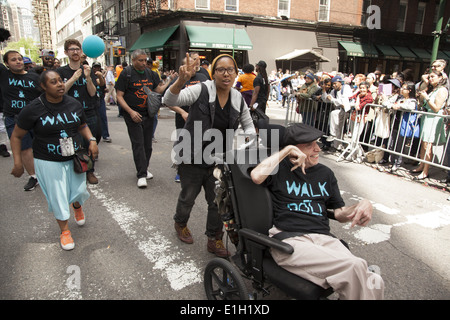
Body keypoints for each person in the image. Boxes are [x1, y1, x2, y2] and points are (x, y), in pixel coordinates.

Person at [250, 123, 384, 300]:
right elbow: (256, 176)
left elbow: (339, 213)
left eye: (317, 143)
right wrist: (285, 151)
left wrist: (361, 205)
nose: (317, 149)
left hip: (324, 239)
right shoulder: (278, 169)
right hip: (290, 240)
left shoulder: (326, 174)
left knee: (374, 280)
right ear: (293, 149)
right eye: (309, 145)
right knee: (356, 267)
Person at [163, 53, 256, 257]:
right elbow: (168, 99)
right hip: (192, 156)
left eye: (230, 69)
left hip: (219, 160)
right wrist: (181, 80)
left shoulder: (238, 98)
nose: (226, 74)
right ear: (213, 74)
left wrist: (245, 145)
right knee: (188, 197)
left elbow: (249, 128)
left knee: (218, 202)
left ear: (236, 73)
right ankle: (180, 222)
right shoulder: (201, 89)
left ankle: (214, 238)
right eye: (221, 70)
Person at [10, 70, 99, 250]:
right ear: (43, 86)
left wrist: (91, 140)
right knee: (58, 196)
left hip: (74, 157)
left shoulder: (73, 103)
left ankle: (77, 205)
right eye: (53, 82)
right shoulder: (33, 108)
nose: (59, 84)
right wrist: (18, 162)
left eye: (60, 81)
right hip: (47, 159)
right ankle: (65, 231)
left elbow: (82, 125)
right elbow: (16, 136)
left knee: (79, 190)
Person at [115, 49, 171, 188]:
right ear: (133, 60)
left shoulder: (151, 74)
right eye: (140, 60)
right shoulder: (126, 73)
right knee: (138, 144)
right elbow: (119, 96)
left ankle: (144, 168)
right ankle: (141, 175)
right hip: (132, 115)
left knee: (148, 145)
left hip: (149, 114)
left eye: (145, 60)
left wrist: (170, 82)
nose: (144, 63)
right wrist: (130, 111)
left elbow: (157, 90)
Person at [57, 39, 99, 184]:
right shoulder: (61, 71)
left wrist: (88, 78)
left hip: (88, 111)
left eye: (77, 49)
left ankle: (90, 171)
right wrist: (74, 78)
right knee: (71, 144)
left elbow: (93, 93)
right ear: (66, 52)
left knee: (91, 141)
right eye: (71, 49)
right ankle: (73, 170)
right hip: (68, 114)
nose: (75, 52)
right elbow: (60, 91)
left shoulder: (88, 70)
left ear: (81, 51)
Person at [1, 50, 41, 190]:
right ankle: (34, 176)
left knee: (40, 146)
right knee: (25, 148)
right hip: (14, 118)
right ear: (6, 63)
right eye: (13, 59)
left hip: (35, 118)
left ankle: (45, 173)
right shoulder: (4, 75)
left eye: (19, 59)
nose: (18, 61)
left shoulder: (34, 77)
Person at [166, 52, 208, 183]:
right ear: (184, 66)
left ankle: (198, 169)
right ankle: (180, 170)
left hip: (201, 118)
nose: (194, 64)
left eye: (196, 61)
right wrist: (182, 112)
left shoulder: (203, 76)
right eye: (191, 61)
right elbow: (168, 101)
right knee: (183, 144)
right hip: (183, 119)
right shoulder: (178, 80)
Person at [413, 70, 449, 180]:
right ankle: (422, 165)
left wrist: (427, 97)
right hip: (427, 118)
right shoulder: (434, 89)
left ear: (440, 78)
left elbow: (436, 108)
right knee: (424, 143)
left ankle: (425, 171)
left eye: (433, 77)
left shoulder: (442, 90)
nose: (430, 79)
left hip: (434, 118)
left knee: (428, 145)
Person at [390, 82, 418, 172]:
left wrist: (400, 106)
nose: (402, 89)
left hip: (404, 125)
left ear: (410, 90)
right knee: (392, 143)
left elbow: (411, 107)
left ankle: (397, 163)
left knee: (399, 145)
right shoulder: (399, 97)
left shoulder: (412, 100)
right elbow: (388, 102)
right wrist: (392, 105)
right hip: (396, 123)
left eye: (404, 88)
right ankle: (392, 160)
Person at [327, 75, 352, 151]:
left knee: (338, 124)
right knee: (337, 126)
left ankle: (338, 143)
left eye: (335, 83)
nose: (334, 85)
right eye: (333, 84)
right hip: (339, 109)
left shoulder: (346, 88)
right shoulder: (333, 91)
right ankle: (337, 145)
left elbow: (344, 102)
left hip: (347, 110)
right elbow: (328, 99)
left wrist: (333, 100)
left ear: (340, 82)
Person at [92, 62, 111, 143]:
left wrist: (105, 90)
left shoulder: (101, 77)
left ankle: (105, 135)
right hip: (92, 100)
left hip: (100, 99)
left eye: (98, 67)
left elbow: (103, 87)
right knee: (93, 119)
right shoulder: (89, 76)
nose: (96, 69)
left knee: (103, 117)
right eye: (95, 67)